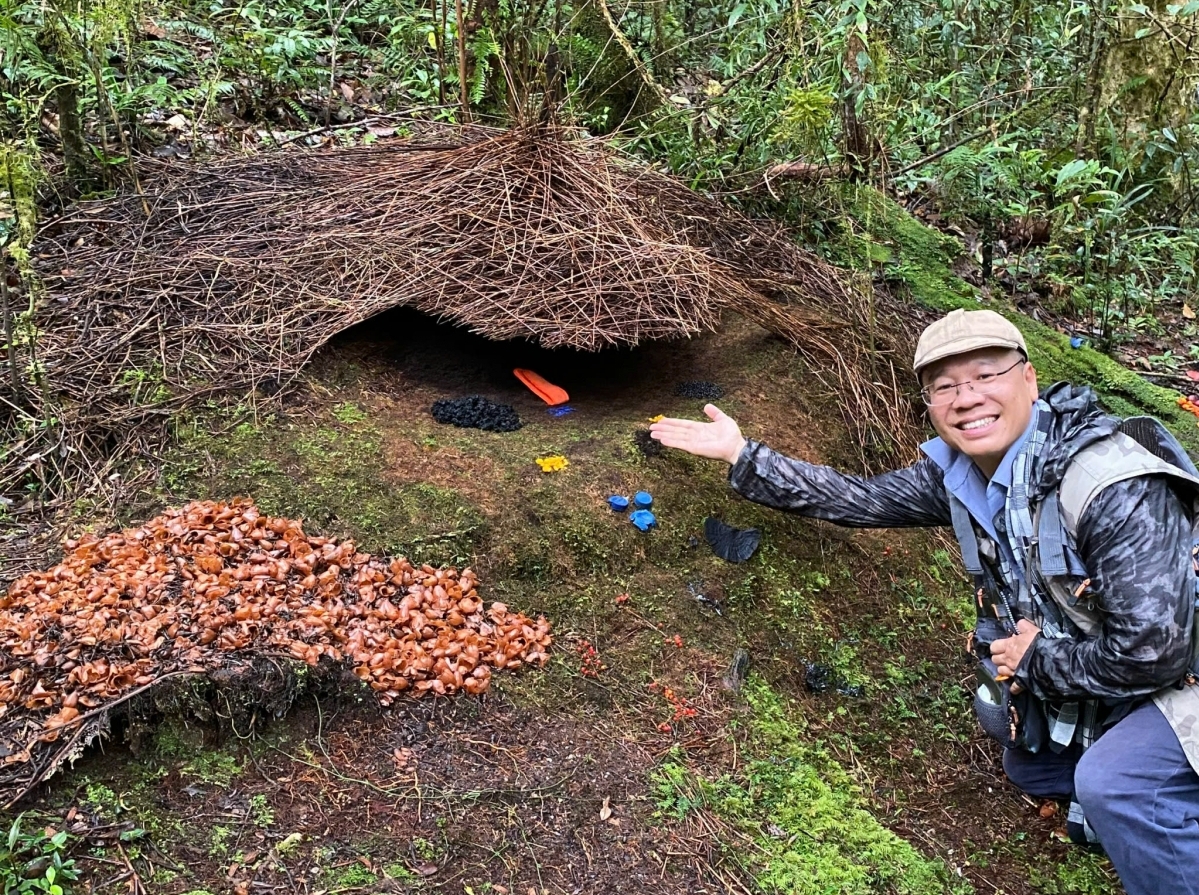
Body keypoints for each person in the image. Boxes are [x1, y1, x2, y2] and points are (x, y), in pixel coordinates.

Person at [649, 308, 1199, 895]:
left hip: (1182, 667)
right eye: (944, 387)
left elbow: (1155, 652)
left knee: (1114, 785)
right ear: (930, 405)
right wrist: (742, 455)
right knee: (1030, 760)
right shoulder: (963, 477)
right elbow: (859, 499)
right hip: (1109, 657)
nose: (967, 398)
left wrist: (1037, 661)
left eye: (986, 376)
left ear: (1030, 380)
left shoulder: (1109, 484)